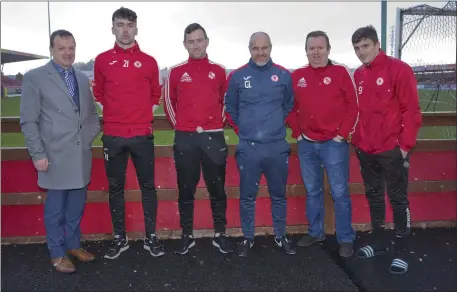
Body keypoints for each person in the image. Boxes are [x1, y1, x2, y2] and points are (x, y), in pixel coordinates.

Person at [20, 29, 100, 273]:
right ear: (51, 50)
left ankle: (73, 244)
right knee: (56, 210)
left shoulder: (80, 76)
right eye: (62, 48)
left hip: (80, 156)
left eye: (72, 47)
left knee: (77, 206)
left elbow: (91, 117)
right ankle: (56, 253)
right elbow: (28, 121)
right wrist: (38, 154)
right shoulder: (35, 77)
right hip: (53, 157)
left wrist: (85, 140)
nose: (68, 52)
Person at [92, 7, 164, 259]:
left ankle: (151, 238)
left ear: (136, 28)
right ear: (112, 28)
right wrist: (114, 115)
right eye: (120, 24)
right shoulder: (102, 60)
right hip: (113, 135)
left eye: (129, 25)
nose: (125, 30)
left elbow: (156, 94)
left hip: (142, 135)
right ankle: (119, 238)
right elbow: (98, 93)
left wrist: (142, 114)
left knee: (147, 187)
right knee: (115, 188)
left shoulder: (149, 61)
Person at [351, 25, 422, 274]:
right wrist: (357, 140)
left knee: (398, 199)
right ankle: (379, 242)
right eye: (357, 48)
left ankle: (402, 251)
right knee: (374, 196)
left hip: (392, 150)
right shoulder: (358, 74)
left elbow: (411, 111)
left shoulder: (399, 69)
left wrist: (404, 147)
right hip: (366, 149)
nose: (361, 52)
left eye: (365, 46)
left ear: (377, 44)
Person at [286, 31, 359, 257]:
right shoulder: (297, 75)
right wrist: (298, 133)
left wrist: (342, 135)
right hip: (307, 144)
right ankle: (315, 231)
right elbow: (289, 107)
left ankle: (345, 237)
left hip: (334, 144)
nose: (316, 52)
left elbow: (352, 106)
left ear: (328, 49)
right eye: (311, 48)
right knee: (312, 191)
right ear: (306, 50)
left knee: (339, 192)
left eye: (320, 47)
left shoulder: (340, 72)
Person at [163, 23, 233, 255]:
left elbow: (227, 103)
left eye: (199, 40)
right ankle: (186, 235)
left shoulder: (221, 70)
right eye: (191, 41)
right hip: (186, 139)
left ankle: (220, 234)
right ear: (185, 44)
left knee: (217, 188)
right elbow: (169, 104)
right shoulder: (175, 71)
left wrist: (215, 126)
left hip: (214, 138)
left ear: (207, 41)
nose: (196, 45)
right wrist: (183, 128)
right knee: (186, 189)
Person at [225, 32, 295, 257]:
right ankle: (247, 238)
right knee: (247, 196)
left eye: (264, 48)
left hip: (276, 147)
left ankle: (280, 235)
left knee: (278, 195)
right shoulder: (237, 76)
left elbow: (288, 105)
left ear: (271, 48)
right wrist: (244, 132)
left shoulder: (283, 75)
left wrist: (274, 126)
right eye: (255, 48)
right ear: (249, 49)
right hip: (249, 148)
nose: (260, 52)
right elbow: (231, 109)